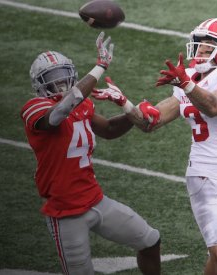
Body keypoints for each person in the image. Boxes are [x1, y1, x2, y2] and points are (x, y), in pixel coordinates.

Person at [92, 18, 217, 275]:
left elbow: (215, 106)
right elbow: (151, 122)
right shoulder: (190, 80)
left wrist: (186, 83)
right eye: (200, 44)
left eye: (209, 45)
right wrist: (125, 103)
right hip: (202, 172)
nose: (200, 50)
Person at [20, 32, 161, 275]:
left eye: (64, 75)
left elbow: (108, 129)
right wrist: (100, 67)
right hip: (64, 212)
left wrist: (131, 110)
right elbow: (60, 112)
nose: (61, 83)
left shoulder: (82, 104)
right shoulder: (35, 108)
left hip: (95, 200)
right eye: (53, 79)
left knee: (150, 241)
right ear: (40, 85)